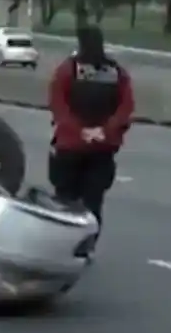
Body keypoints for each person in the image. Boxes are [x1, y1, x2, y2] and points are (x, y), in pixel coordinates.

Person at [48, 25, 135, 225]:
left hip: (70, 146)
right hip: (103, 146)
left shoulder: (67, 70)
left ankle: (64, 243)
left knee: (65, 200)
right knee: (93, 202)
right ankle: (86, 246)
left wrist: (80, 131)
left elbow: (58, 105)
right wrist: (105, 130)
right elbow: (126, 107)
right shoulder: (117, 73)